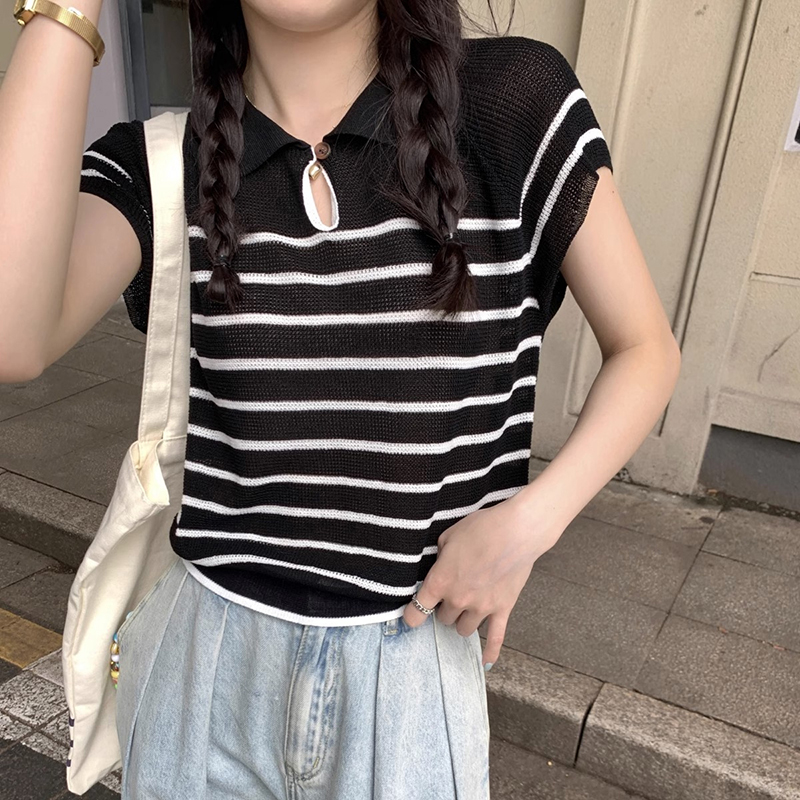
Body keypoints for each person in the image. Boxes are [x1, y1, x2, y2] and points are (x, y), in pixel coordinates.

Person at [0, 0, 681, 797]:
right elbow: (13, 337)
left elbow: (645, 349)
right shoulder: (166, 164)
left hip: (410, 671)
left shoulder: (509, 103)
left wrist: (529, 524)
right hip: (201, 663)